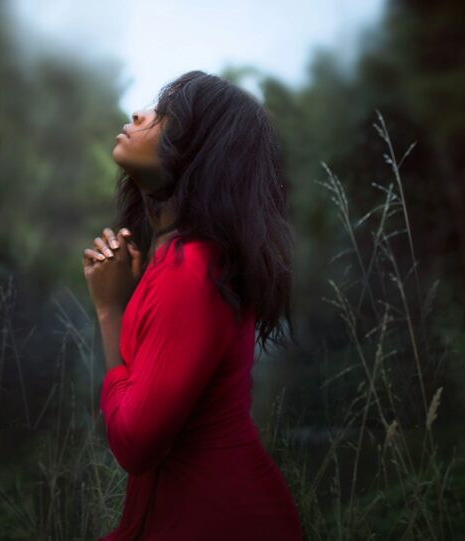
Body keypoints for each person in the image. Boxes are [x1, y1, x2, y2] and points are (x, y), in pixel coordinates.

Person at [82, 70, 302, 540]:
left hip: (218, 520)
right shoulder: (184, 264)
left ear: (201, 152)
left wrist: (109, 311)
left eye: (165, 117)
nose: (138, 114)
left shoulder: (191, 272)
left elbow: (135, 443)